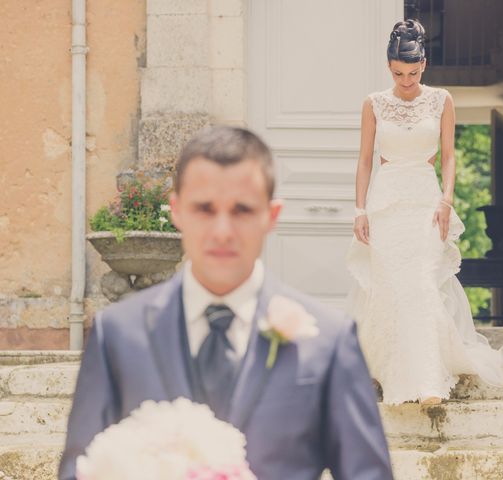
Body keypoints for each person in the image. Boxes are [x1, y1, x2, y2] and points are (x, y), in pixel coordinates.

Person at [60, 126, 394, 480]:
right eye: (204, 209)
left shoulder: (329, 342)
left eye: (242, 210)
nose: (222, 231)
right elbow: (78, 471)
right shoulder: (117, 336)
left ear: (271, 215)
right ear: (176, 211)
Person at [346, 20, 503, 406]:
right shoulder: (373, 103)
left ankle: (428, 380)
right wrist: (360, 209)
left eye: (412, 73)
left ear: (424, 65)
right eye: (398, 73)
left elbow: (448, 156)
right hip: (386, 203)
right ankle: (388, 371)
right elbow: (365, 162)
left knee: (424, 283)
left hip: (426, 202)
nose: (406, 80)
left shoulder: (441, 100)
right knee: (390, 287)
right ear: (388, 66)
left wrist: (447, 200)